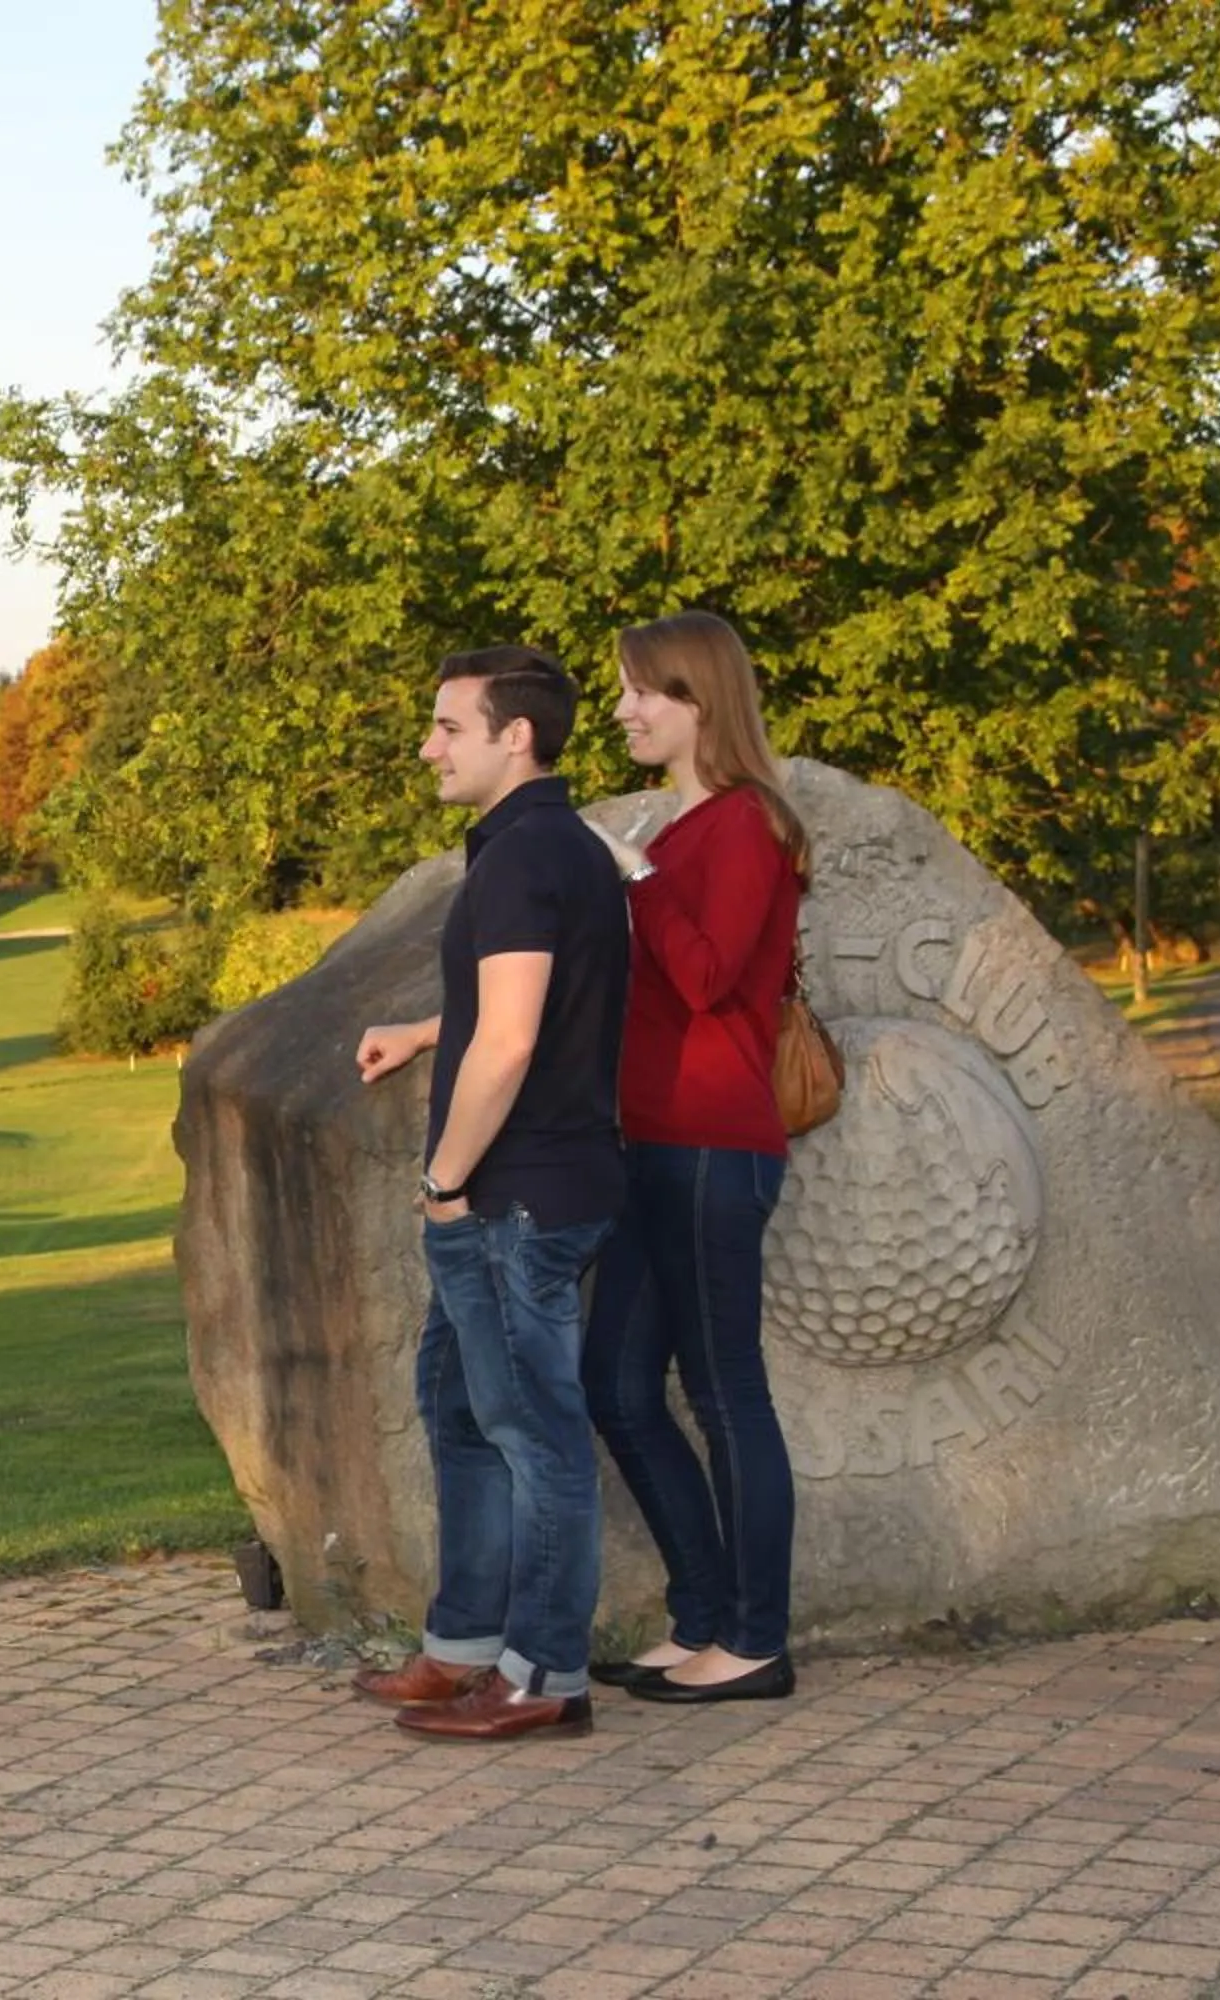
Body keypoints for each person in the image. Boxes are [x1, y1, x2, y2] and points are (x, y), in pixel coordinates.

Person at [351, 645, 629, 1744]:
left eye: (448, 726)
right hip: (522, 1189)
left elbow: (511, 1043)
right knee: (462, 1409)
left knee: (534, 1435)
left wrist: (445, 1183)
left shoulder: (524, 859)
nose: (429, 746)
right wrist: (427, 1030)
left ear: (516, 736)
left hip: (514, 1198)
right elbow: (526, 1005)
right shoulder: (548, 846)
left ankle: (545, 1674)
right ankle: (465, 1646)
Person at [578, 610, 808, 1705]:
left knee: (725, 1393)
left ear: (696, 698)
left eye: (640, 690)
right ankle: (704, 1615)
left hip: (717, 1146)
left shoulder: (748, 824)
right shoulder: (678, 832)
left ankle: (756, 1642)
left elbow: (710, 978)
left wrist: (634, 875)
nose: (623, 709)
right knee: (616, 1386)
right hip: (653, 1147)